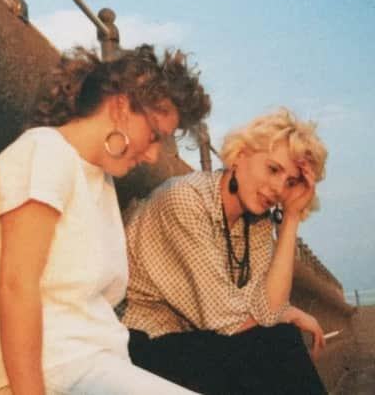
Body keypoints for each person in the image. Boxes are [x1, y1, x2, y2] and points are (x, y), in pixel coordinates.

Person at [0, 45, 210, 395]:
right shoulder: (44, 151)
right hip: (43, 375)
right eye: (155, 136)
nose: (153, 156)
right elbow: (17, 286)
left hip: (91, 368)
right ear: (121, 105)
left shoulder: (99, 180)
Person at [123, 108, 329, 394]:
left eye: (291, 182)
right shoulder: (186, 199)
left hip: (194, 342)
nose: (278, 189)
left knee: (277, 342)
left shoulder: (255, 222)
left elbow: (265, 312)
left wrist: (291, 218)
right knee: (279, 344)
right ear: (240, 155)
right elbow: (231, 322)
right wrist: (287, 314)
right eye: (273, 169)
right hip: (141, 347)